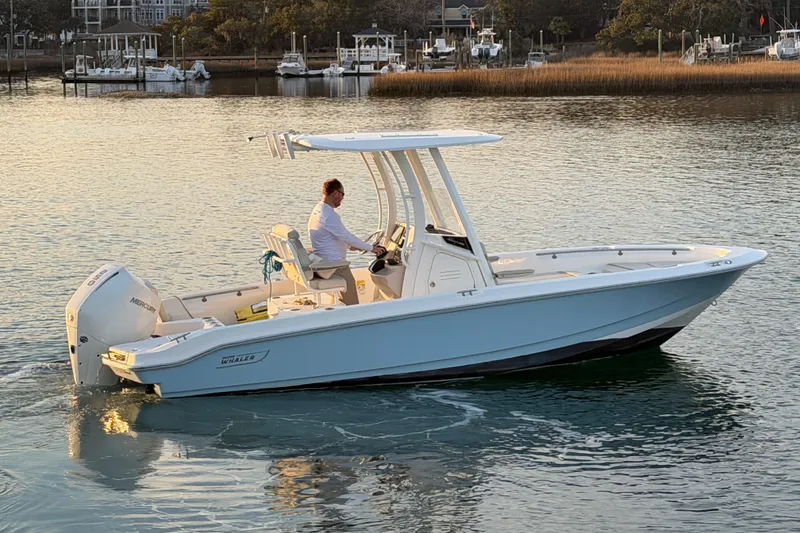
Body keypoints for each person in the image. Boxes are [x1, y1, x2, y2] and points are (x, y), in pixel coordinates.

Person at [308, 179, 385, 305]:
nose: (342, 198)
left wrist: (352, 247)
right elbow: (346, 236)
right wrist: (372, 248)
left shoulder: (318, 209)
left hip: (323, 260)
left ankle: (341, 309)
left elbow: (334, 237)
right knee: (351, 290)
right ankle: (353, 314)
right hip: (334, 265)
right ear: (335, 193)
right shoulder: (329, 215)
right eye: (342, 194)